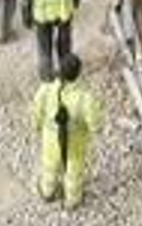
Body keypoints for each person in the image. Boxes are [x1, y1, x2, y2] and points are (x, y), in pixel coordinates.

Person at [30, 52, 102, 209]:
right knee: (74, 171)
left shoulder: (46, 89)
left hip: (50, 140)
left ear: (59, 70)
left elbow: (36, 109)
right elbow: (95, 123)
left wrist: (36, 125)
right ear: (78, 73)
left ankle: (48, 191)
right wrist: (95, 129)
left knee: (49, 166)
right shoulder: (85, 98)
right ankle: (72, 200)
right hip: (75, 144)